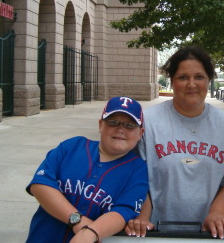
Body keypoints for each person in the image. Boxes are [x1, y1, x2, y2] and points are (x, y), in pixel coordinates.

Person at [126, 46, 224, 239]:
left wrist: (217, 214)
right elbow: (135, 176)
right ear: (172, 81)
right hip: (156, 233)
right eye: (183, 77)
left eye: (199, 77)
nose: (191, 84)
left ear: (209, 80)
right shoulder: (148, 121)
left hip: (208, 234)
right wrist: (143, 218)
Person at [25, 96, 148, 243]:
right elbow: (40, 185)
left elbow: (124, 211)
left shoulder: (138, 169)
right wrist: (78, 221)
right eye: (113, 122)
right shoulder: (72, 147)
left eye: (129, 125)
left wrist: (91, 233)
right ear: (101, 125)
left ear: (140, 133)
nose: (120, 129)